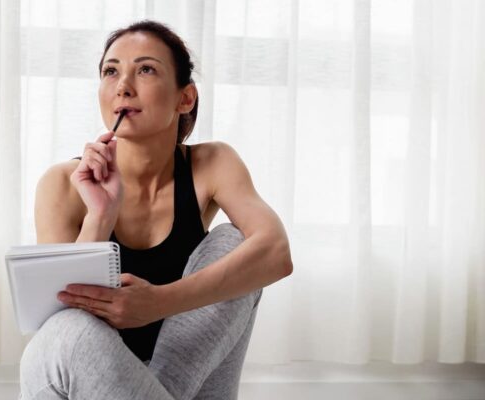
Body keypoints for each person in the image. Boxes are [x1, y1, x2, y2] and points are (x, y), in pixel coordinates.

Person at [18, 20, 293, 400]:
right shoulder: (63, 183)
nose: (123, 86)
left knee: (236, 242)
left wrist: (158, 302)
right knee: (71, 331)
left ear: (186, 99)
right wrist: (100, 215)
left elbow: (276, 254)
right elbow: (54, 325)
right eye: (110, 71)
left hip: (182, 378)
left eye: (145, 69)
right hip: (77, 382)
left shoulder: (212, 164)